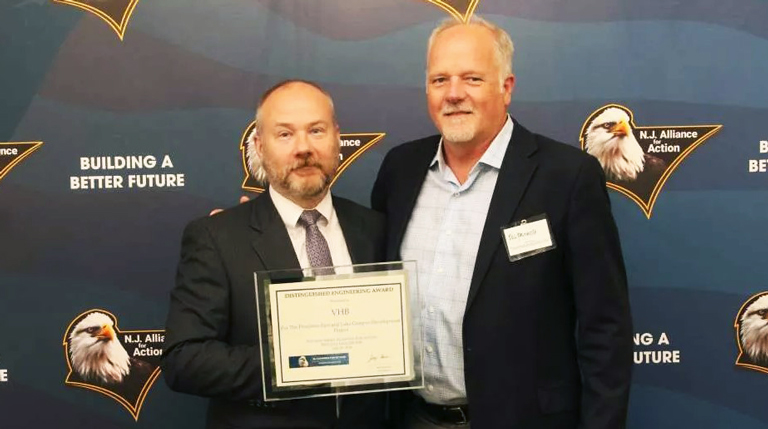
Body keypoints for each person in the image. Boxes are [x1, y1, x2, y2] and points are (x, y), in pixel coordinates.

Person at [371, 17, 633, 429]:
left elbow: (606, 328)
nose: (454, 94)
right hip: (413, 418)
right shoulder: (400, 170)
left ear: (506, 88)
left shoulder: (566, 176)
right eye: (440, 80)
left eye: (472, 78)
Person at [162, 80, 387, 429]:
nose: (303, 148)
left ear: (337, 139)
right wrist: (299, 361)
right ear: (259, 146)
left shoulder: (375, 228)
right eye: (285, 134)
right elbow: (184, 360)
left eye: (316, 130)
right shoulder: (216, 237)